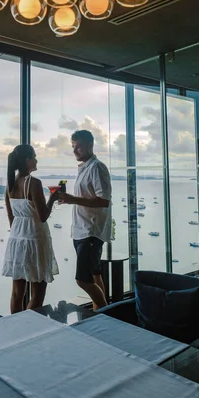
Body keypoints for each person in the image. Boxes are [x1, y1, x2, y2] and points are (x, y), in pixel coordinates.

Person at [2, 144, 60, 314]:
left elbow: (11, 218)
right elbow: (42, 216)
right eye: (34, 156)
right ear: (28, 161)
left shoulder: (10, 185)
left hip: (17, 239)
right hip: (34, 237)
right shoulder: (34, 183)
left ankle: (17, 329)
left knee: (17, 293)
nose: (36, 160)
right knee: (38, 292)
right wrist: (53, 198)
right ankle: (29, 328)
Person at [59, 130, 111, 310]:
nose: (75, 151)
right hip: (81, 230)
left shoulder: (97, 167)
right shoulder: (85, 167)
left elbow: (104, 200)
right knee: (95, 276)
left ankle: (109, 316)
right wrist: (70, 199)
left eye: (79, 146)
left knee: (82, 280)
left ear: (90, 145)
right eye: (73, 147)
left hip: (90, 232)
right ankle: (100, 315)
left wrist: (72, 199)